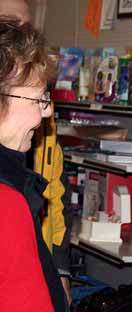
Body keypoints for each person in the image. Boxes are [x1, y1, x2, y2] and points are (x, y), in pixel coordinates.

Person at [0, 0, 73, 304]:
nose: (46, 113)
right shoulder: (7, 206)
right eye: (38, 99)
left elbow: (56, 196)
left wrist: (60, 269)